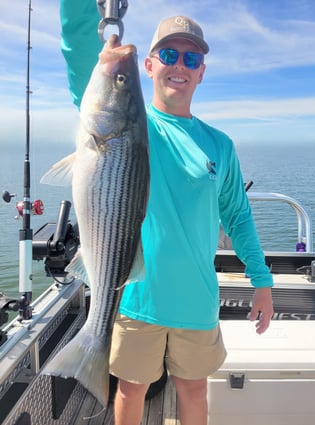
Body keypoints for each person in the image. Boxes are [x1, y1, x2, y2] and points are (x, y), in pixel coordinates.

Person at [59, 3, 274, 425]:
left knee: (194, 390)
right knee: (131, 391)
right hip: (137, 298)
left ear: (202, 71)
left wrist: (262, 280)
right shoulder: (134, 124)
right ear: (151, 65)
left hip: (196, 299)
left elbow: (238, 216)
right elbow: (80, 50)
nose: (181, 65)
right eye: (170, 55)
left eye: (191, 58)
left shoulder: (219, 144)